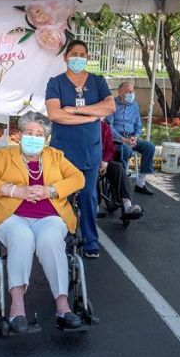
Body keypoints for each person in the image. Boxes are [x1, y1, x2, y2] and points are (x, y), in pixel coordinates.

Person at [0, 112, 85, 333]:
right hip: (12, 216)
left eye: (39, 134)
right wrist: (15, 190)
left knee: (51, 239)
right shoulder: (4, 156)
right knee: (22, 237)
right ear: (19, 135)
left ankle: (63, 306)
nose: (34, 137)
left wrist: (50, 191)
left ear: (46, 138)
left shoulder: (55, 156)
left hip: (49, 216)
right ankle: (17, 307)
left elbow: (78, 178)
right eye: (29, 132)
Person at [45, 40, 115, 259]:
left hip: (89, 151)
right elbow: (54, 114)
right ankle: (62, 238)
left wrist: (75, 110)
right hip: (62, 152)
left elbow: (110, 106)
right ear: (65, 57)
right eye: (73, 53)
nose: (78, 57)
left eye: (82, 54)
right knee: (61, 196)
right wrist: (91, 116)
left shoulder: (98, 81)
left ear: (88, 57)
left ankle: (90, 241)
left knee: (88, 196)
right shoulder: (55, 83)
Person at [107, 81, 156, 196]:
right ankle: (121, 182)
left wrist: (135, 136)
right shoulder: (112, 104)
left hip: (131, 137)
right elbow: (109, 127)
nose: (131, 94)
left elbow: (138, 125)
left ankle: (140, 183)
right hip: (117, 139)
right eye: (128, 92)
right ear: (120, 92)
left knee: (149, 147)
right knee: (126, 149)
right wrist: (123, 140)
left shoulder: (135, 105)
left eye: (133, 91)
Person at [98, 117, 143, 220]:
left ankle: (127, 205)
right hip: (88, 163)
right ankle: (93, 208)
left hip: (103, 162)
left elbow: (110, 148)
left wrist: (105, 161)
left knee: (118, 168)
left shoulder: (104, 126)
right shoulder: (82, 125)